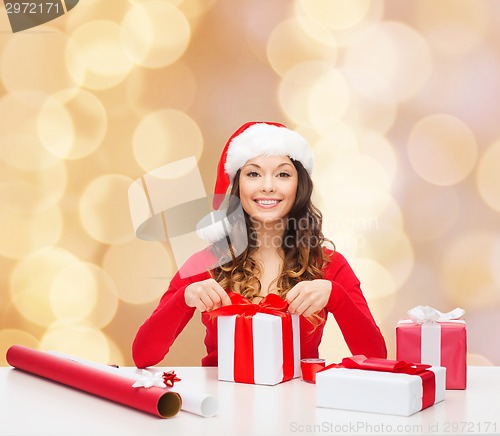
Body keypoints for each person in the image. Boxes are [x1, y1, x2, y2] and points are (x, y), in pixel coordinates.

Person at [132, 122, 387, 369]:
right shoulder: (205, 263)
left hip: (297, 408)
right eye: (253, 173)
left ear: (299, 186)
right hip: (221, 406)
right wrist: (183, 299)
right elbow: (142, 356)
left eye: (283, 174)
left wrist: (336, 296)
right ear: (238, 184)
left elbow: (376, 356)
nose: (267, 186)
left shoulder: (330, 265)